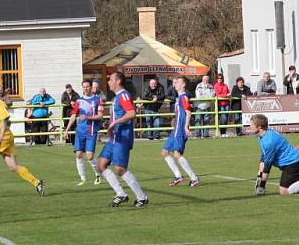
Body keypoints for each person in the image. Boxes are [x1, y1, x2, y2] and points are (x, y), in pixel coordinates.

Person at [0, 86, 45, 197]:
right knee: (13, 167)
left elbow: (5, 118)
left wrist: (0, 136)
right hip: (6, 136)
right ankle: (37, 182)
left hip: (2, 137)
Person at [99, 72, 149, 207]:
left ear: (118, 81)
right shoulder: (116, 97)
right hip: (114, 137)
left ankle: (142, 197)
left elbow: (132, 113)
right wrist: (109, 124)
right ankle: (121, 194)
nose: (108, 81)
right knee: (101, 165)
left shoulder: (124, 95)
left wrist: (115, 123)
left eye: (110, 79)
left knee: (120, 169)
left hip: (122, 137)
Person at [251, 114, 299, 196]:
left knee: (284, 191)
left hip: (294, 162)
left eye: (252, 124)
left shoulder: (269, 141)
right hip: (292, 162)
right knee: (288, 188)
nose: (250, 126)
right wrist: (259, 178)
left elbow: (267, 166)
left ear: (259, 127)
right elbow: (263, 158)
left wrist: (261, 185)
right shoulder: (262, 136)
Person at [63, 80, 104, 186]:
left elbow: (100, 116)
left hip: (91, 131)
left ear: (91, 87)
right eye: (84, 87)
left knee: (90, 156)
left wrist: (87, 117)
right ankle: (83, 178)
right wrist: (67, 129)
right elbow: (73, 116)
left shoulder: (97, 100)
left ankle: (98, 174)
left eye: (87, 86)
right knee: (78, 154)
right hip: (80, 131)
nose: (86, 88)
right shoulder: (79, 101)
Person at [161, 76, 200, 187]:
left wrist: (186, 127)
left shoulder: (184, 97)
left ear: (183, 85)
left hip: (180, 129)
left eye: (177, 82)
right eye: (175, 82)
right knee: (164, 152)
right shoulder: (179, 97)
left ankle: (194, 178)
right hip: (176, 130)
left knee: (177, 154)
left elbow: (188, 112)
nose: (175, 84)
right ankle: (178, 176)